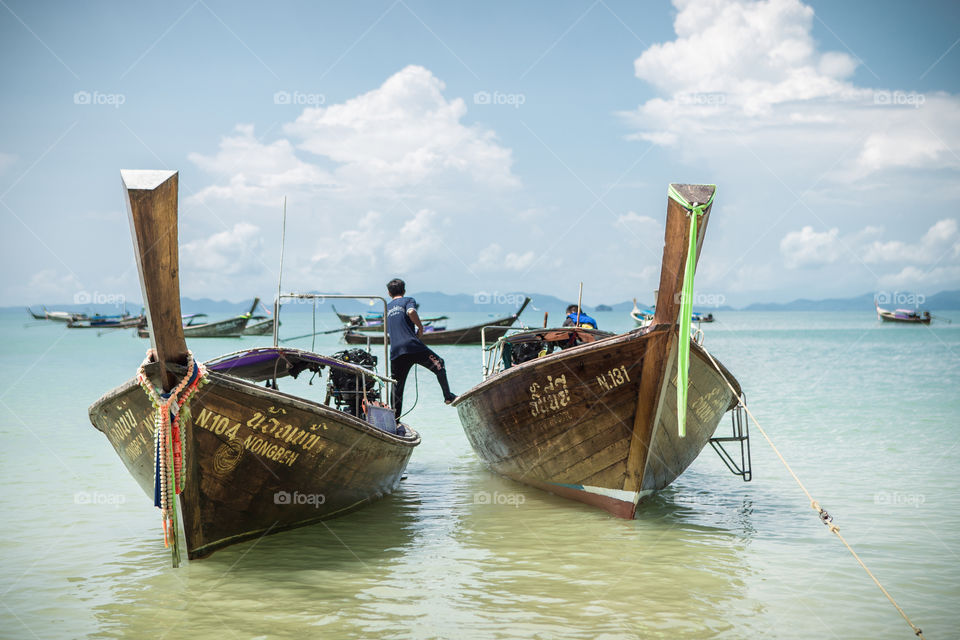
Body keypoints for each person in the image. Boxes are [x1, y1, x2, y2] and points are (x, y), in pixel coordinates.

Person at [385, 278, 456, 417]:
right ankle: (448, 396)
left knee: (397, 386)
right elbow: (411, 312)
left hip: (396, 351)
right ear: (404, 290)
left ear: (389, 293)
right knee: (439, 364)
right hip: (413, 346)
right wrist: (420, 327)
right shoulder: (408, 300)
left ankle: (394, 418)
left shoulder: (386, 307)